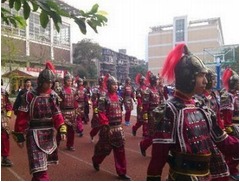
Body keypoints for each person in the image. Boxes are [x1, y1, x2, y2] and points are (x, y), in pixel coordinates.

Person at [146, 44, 239, 181]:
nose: (206, 81)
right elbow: (158, 160)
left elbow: (224, 142)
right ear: (188, 77)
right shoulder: (169, 111)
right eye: (201, 76)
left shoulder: (203, 108)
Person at [12, 61, 67, 181]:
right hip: (34, 134)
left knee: (41, 169)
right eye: (48, 82)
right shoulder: (29, 96)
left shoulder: (53, 96)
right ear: (41, 81)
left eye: (52, 82)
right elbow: (21, 117)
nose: (50, 85)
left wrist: (62, 129)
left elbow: (57, 114)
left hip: (49, 135)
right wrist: (19, 135)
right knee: (40, 171)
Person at [92, 74, 131, 181]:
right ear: (108, 85)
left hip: (118, 128)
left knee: (120, 150)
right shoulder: (104, 98)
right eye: (113, 84)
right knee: (104, 149)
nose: (116, 86)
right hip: (107, 128)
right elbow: (101, 112)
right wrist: (105, 123)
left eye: (116, 84)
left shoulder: (119, 98)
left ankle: (122, 172)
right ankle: (96, 160)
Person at [220, 67, 239, 180]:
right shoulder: (227, 96)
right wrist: (233, 131)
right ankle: (230, 169)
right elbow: (226, 120)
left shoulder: (235, 95)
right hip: (231, 127)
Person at [139, 71, 161, 157]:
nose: (157, 82)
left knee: (158, 134)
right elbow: (145, 105)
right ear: (154, 81)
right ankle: (143, 145)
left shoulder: (157, 90)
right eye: (156, 80)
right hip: (151, 114)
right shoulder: (148, 91)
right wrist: (145, 117)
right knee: (153, 134)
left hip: (158, 114)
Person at [56, 71, 77, 151]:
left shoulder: (74, 90)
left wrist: (76, 110)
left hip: (72, 112)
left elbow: (75, 101)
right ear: (65, 81)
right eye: (68, 80)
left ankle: (70, 145)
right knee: (61, 129)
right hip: (63, 112)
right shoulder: (60, 90)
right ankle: (56, 143)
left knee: (72, 130)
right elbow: (57, 101)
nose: (70, 82)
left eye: (71, 81)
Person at [89, 75, 107, 142]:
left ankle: (102, 139)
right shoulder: (96, 91)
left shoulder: (106, 91)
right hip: (98, 110)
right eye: (101, 80)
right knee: (97, 126)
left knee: (104, 125)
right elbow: (94, 101)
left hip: (104, 110)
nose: (102, 82)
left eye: (103, 80)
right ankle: (92, 134)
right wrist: (96, 111)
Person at [1, 79, 13, 167]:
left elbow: (9, 105)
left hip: (2, 117)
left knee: (4, 136)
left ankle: (5, 158)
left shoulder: (3, 92)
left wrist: (8, 115)